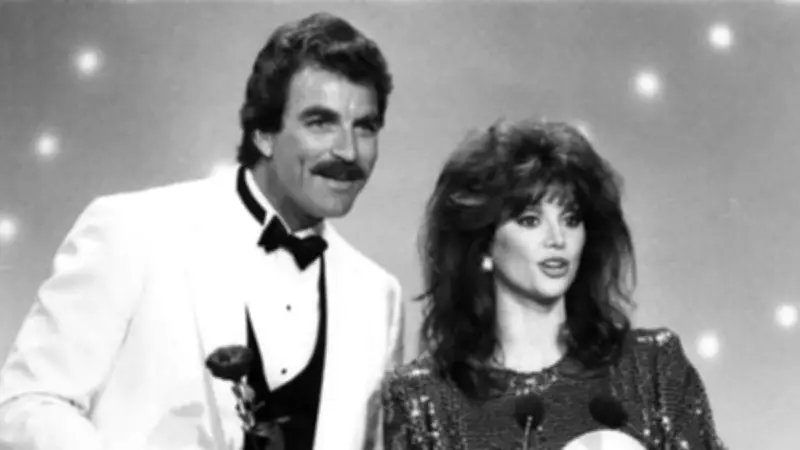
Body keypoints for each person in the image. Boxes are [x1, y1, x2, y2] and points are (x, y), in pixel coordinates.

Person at [0, 12, 404, 450]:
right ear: (264, 134)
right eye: (321, 122)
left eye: (365, 127)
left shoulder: (379, 297)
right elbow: (25, 405)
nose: (348, 151)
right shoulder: (133, 230)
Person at [381, 118, 726, 449]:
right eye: (530, 220)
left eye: (571, 219)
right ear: (483, 241)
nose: (558, 239)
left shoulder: (651, 370)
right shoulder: (426, 400)